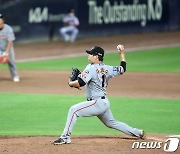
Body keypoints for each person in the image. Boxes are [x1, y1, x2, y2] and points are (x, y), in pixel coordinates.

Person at [53, 44, 145, 145]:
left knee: (73, 110)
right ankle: (138, 132)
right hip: (103, 103)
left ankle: (65, 137)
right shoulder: (107, 68)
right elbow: (122, 69)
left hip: (96, 103)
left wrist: (70, 83)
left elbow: (80, 82)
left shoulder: (91, 68)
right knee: (111, 123)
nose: (88, 56)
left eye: (90, 54)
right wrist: (122, 54)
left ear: (96, 56)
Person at [0, 14, 20, 82]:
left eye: (0, 19)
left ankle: (15, 76)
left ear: (3, 20)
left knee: (12, 62)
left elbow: (10, 41)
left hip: (8, 48)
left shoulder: (8, 29)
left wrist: (6, 52)